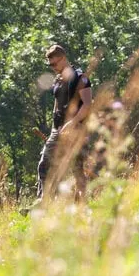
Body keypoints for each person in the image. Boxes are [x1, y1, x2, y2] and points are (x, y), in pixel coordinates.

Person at [37, 44, 93, 199]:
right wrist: (53, 131)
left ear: (64, 58)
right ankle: (44, 203)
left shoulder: (79, 77)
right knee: (44, 166)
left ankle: (81, 204)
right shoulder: (58, 79)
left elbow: (88, 104)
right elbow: (57, 105)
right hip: (58, 130)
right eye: (50, 65)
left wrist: (72, 122)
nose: (53, 67)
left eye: (55, 63)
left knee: (77, 170)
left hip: (76, 130)